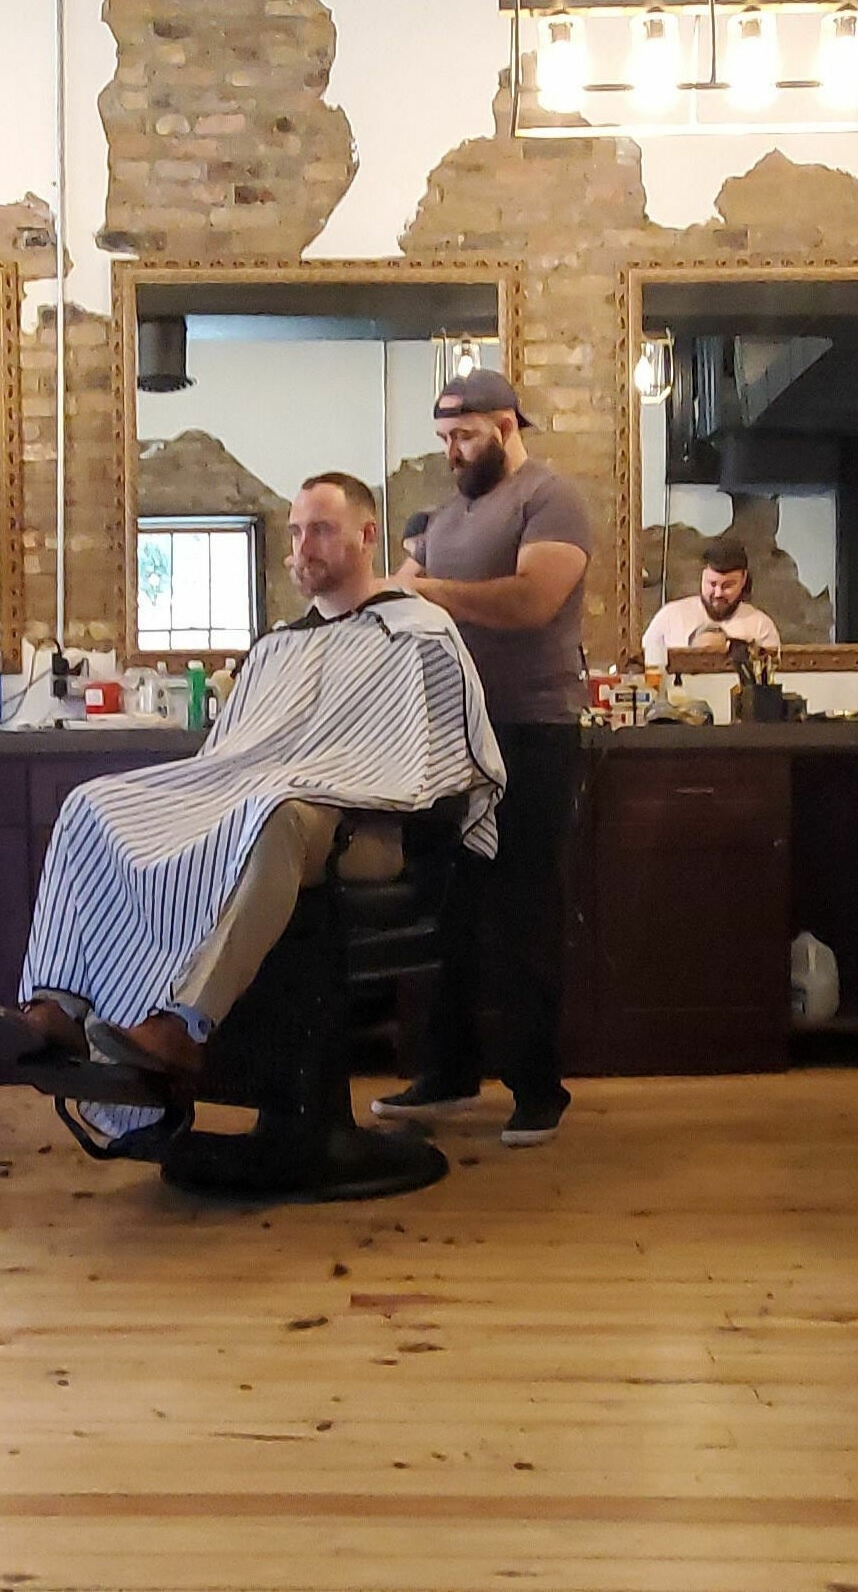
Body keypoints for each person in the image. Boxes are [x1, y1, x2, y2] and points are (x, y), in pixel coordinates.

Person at [0, 474, 503, 1100]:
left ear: (367, 536)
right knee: (90, 805)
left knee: (274, 812)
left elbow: (450, 763)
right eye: (294, 532)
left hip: (370, 831)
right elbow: (230, 756)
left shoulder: (418, 633)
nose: (301, 548)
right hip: (271, 808)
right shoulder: (277, 648)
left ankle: (183, 1026)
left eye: (320, 530)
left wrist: (330, 778)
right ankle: (58, 1008)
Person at [376, 368, 593, 1147]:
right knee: (446, 909)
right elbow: (397, 597)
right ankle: (449, 1068)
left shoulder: (549, 497)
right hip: (445, 735)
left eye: (463, 435)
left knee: (525, 909)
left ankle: (539, 1087)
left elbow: (533, 600)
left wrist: (434, 591)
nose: (452, 451)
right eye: (443, 439)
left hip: (530, 729)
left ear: (505, 424)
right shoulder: (444, 517)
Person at [639, 538, 783, 669]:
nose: (718, 593)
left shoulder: (760, 626)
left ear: (743, 580)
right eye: (712, 584)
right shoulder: (670, 616)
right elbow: (642, 665)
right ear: (702, 576)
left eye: (728, 586)